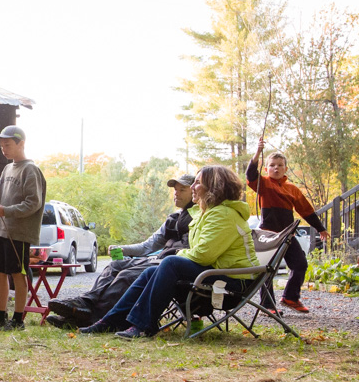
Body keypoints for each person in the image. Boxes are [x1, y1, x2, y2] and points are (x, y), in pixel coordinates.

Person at [79, 165, 258, 339]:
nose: (193, 187)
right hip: (217, 274)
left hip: (234, 283)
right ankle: (111, 320)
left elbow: (204, 255)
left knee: (171, 262)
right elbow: (198, 253)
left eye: (197, 183)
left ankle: (143, 325)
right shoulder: (208, 213)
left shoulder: (223, 214)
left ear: (213, 187)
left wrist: (177, 255)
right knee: (151, 271)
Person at [47, 174, 196, 329]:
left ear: (194, 192)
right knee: (115, 265)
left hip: (172, 266)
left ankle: (89, 318)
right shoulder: (173, 219)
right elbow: (147, 246)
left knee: (127, 275)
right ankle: (85, 302)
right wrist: (123, 249)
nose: (176, 193)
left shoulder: (200, 217)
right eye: (175, 190)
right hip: (159, 260)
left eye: (182, 190)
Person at [247, 138, 330, 313]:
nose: (276, 168)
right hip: (268, 234)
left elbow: (306, 210)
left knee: (300, 264)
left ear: (285, 168)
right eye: (272, 165)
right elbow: (250, 175)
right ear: (267, 168)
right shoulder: (263, 184)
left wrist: (320, 228)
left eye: (280, 165)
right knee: (267, 270)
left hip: (287, 234)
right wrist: (257, 153)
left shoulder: (292, 189)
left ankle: (290, 297)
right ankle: (267, 305)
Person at [0, 125, 46, 331]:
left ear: (21, 143)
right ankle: (0, 316)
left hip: (18, 232)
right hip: (1, 229)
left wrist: (7, 211)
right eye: (1, 146)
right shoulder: (8, 168)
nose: (3, 149)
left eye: (7, 144)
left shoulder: (30, 170)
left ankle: (18, 320)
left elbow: (33, 203)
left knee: (18, 274)